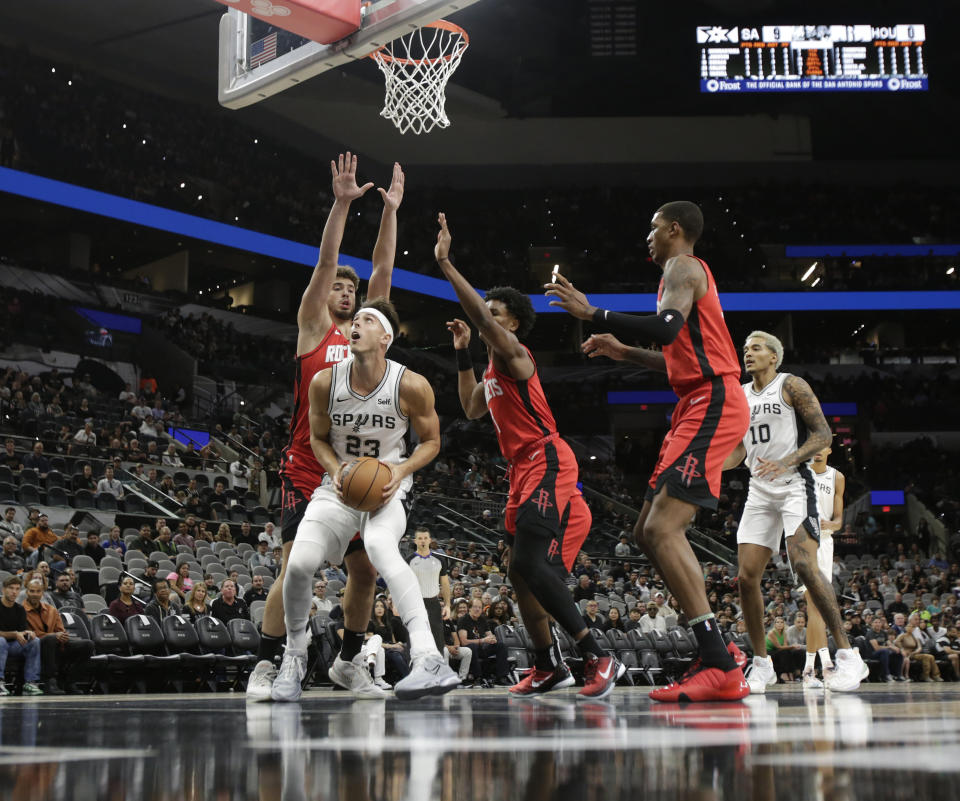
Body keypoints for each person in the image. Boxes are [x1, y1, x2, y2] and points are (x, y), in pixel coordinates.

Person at [545, 201, 749, 702]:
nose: (648, 237)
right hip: (695, 399)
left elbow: (665, 329)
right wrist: (623, 351)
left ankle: (720, 662)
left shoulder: (683, 266)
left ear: (675, 229)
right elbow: (676, 358)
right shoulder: (679, 276)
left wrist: (594, 312)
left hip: (714, 400)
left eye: (652, 227)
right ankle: (717, 651)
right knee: (644, 531)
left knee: (662, 528)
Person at [437, 214, 620, 700]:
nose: (487, 319)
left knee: (534, 565)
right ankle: (547, 665)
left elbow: (481, 318)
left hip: (548, 458)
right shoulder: (493, 369)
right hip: (521, 470)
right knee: (519, 573)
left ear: (512, 323)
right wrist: (461, 353)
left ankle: (596, 654)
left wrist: (446, 265)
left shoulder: (516, 354)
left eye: (495, 313)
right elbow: (472, 406)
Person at [247, 154, 403, 702]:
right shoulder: (315, 329)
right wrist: (340, 205)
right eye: (338, 286)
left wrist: (390, 214)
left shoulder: (367, 333)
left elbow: (382, 274)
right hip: (308, 464)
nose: (345, 292)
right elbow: (323, 264)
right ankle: (271, 663)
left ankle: (348, 661)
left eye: (350, 290)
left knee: (365, 574)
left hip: (358, 465)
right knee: (296, 568)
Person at [272, 297, 459, 702]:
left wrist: (401, 471)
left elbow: (431, 442)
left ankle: (428, 655)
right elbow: (318, 440)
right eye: (354, 320)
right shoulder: (325, 381)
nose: (356, 323)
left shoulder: (410, 384)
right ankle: (293, 657)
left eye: (367, 320)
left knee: (378, 547)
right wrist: (337, 470)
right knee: (301, 562)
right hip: (340, 484)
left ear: (385, 337)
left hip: (389, 484)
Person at [724, 331, 865, 693]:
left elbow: (823, 435)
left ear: (774, 356)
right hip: (759, 489)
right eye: (745, 349)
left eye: (755, 348)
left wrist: (787, 460)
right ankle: (761, 664)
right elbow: (741, 449)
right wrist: (712, 466)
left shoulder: (791, 385)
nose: (747, 354)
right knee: (746, 577)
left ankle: (849, 657)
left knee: (804, 564)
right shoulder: (740, 394)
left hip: (794, 485)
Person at [799, 444, 848, 687]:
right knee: (815, 605)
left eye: (822, 447)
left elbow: (839, 519)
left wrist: (834, 525)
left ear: (829, 449)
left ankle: (808, 670)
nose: (817, 450)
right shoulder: (799, 472)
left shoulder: (837, 477)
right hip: (804, 541)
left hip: (826, 543)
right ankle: (826, 666)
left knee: (815, 609)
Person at [23, 577, 93, 694]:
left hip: (56, 642)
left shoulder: (52, 610)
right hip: (35, 645)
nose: (35, 594)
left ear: (43, 592)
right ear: (26, 592)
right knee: (50, 638)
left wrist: (62, 636)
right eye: (32, 591)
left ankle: (69, 681)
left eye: (38, 591)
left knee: (88, 645)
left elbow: (60, 630)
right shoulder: (21, 610)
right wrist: (55, 635)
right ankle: (50, 681)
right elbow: (26, 633)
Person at [407, 527, 452, 652]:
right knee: (415, 640)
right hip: (415, 604)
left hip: (434, 604)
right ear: (415, 541)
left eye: (425, 538)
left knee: (437, 641)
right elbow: (402, 584)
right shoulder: (409, 560)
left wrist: (448, 605)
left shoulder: (440, 560)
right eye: (420, 538)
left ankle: (438, 670)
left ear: (430, 540)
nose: (423, 541)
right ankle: (413, 670)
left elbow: (445, 584)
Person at [0, 576, 43, 696]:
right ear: (3, 590)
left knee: (35, 641)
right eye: (11, 588)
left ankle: (31, 683)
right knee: (1, 641)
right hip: (1, 644)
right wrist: (14, 634)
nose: (14, 592)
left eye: (17, 589)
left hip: (12, 646)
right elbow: (14, 634)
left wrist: (28, 633)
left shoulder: (20, 609)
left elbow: (22, 632)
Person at [457, 598, 511, 687]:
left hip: (482, 647)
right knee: (472, 646)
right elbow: (464, 642)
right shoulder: (463, 620)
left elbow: (490, 635)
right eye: (475, 607)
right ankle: (478, 677)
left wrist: (493, 639)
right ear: (469, 608)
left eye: (479, 607)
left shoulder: (482, 620)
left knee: (501, 645)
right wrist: (483, 640)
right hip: (470, 648)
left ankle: (501, 677)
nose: (477, 609)